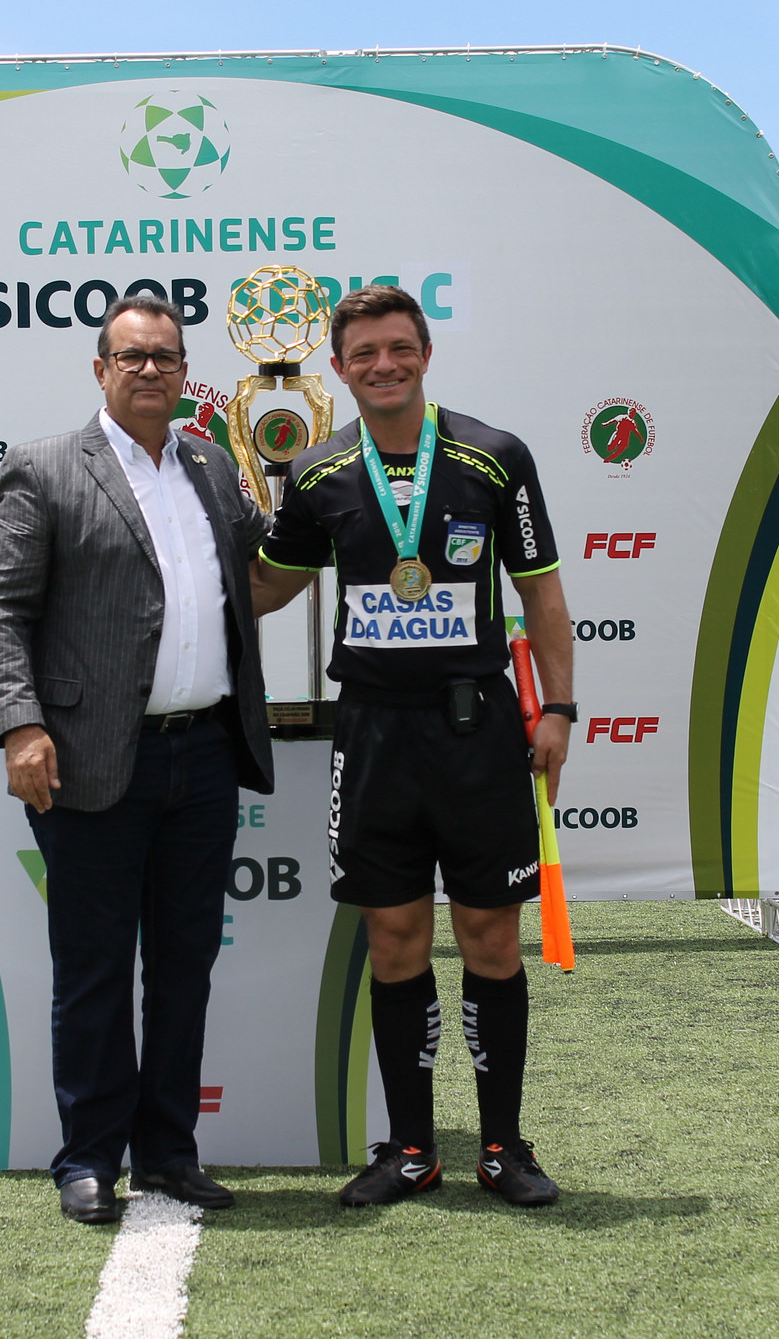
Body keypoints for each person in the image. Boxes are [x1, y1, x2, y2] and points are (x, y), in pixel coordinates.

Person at [251, 284, 572, 1210]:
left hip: (476, 731)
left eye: (398, 348)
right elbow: (269, 585)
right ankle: (414, 1146)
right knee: (393, 939)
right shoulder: (317, 473)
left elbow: (543, 592)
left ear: (424, 352)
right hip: (373, 733)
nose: (382, 365)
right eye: (363, 354)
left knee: (490, 937)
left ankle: (505, 1144)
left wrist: (561, 709)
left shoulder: (494, 457)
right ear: (340, 368)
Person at [0, 293, 276, 1225]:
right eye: (132, 356)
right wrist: (20, 724)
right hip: (92, 759)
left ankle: (170, 1152)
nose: (152, 370)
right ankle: (89, 1156)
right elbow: (0, 610)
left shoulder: (215, 466)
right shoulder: (47, 467)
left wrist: (319, 487)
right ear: (100, 370)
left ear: (188, 373)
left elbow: (260, 580)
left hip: (207, 756)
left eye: (168, 357)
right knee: (96, 967)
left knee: (186, 965)